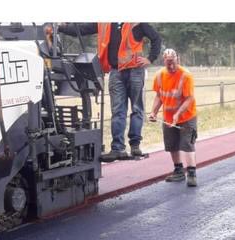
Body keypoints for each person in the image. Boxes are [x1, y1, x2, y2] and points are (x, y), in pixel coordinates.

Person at [59, 23, 161, 160]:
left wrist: (150, 58)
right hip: (116, 71)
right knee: (118, 111)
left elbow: (156, 38)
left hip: (135, 70)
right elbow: (82, 29)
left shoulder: (136, 23)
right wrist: (61, 27)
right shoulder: (104, 24)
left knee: (136, 109)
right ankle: (117, 148)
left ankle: (135, 145)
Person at [148, 49, 198, 187]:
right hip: (168, 117)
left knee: (187, 144)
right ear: (164, 61)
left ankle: (192, 173)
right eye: (168, 63)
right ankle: (178, 171)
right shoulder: (159, 76)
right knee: (172, 144)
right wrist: (154, 112)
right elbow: (159, 96)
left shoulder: (186, 76)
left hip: (187, 116)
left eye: (173, 62)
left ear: (178, 59)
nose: (171, 66)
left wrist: (178, 114)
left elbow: (189, 99)